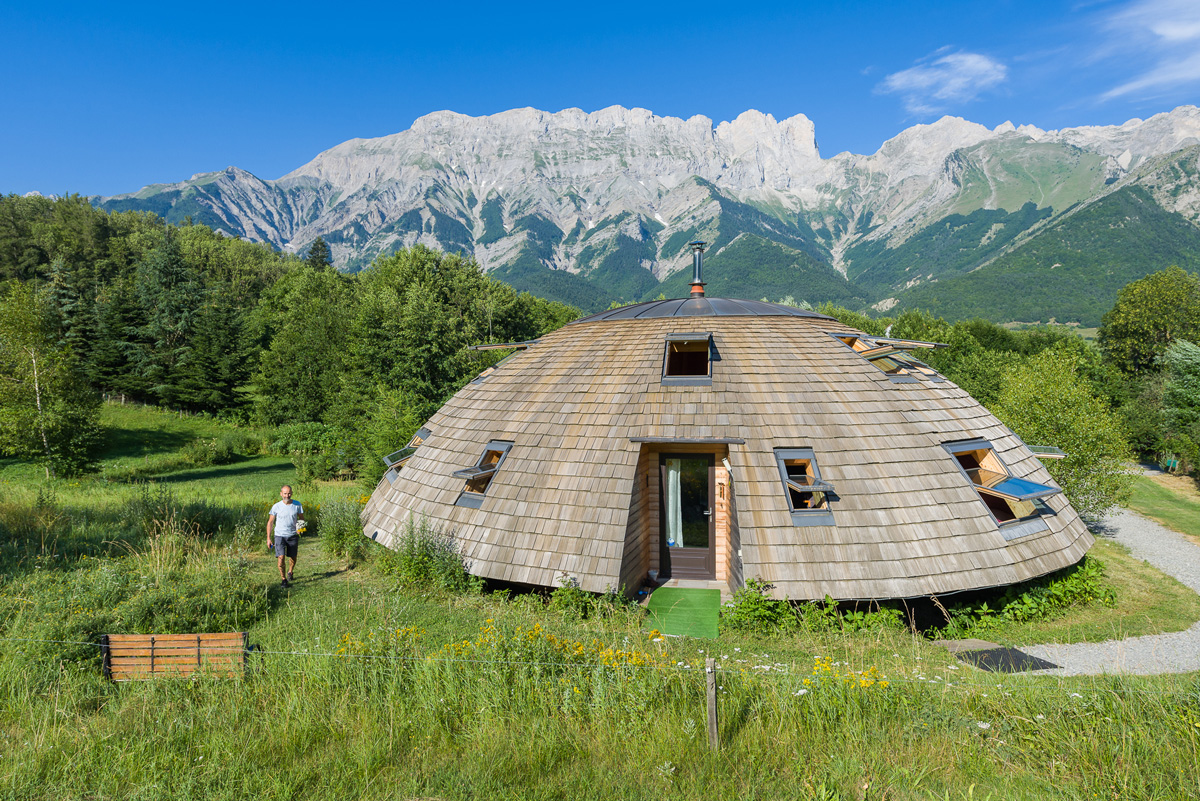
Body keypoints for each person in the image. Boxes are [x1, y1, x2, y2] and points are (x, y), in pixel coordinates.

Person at [267, 484, 305, 587]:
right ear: (281, 494)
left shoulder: (297, 505)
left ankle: (290, 571)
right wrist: (268, 538)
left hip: (292, 535)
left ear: (291, 493)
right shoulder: (276, 506)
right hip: (279, 535)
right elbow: (270, 522)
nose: (287, 496)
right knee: (281, 557)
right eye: (285, 493)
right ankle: (283, 579)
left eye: (289, 493)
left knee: (293, 557)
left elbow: (301, 518)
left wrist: (300, 528)